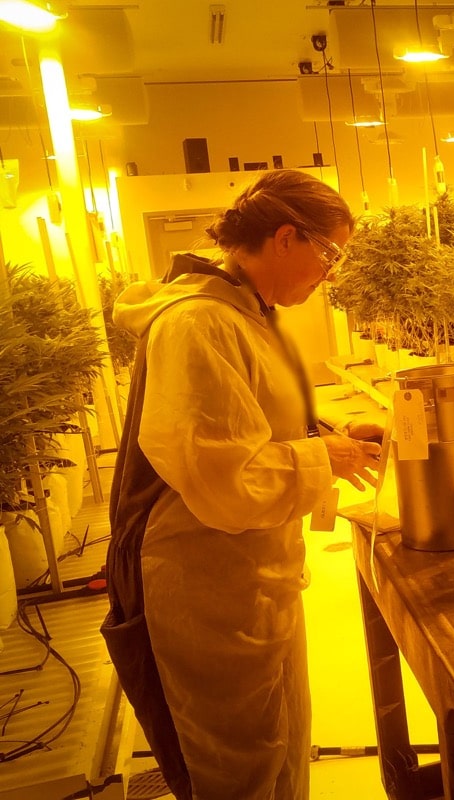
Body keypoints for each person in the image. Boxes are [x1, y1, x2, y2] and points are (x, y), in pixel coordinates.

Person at [101, 169, 381, 800]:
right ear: (285, 238)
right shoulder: (197, 323)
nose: (331, 272)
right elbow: (224, 477)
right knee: (236, 767)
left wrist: (327, 429)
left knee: (277, 743)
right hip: (202, 587)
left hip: (247, 576)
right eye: (330, 253)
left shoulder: (242, 313)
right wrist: (321, 457)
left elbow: (247, 417)